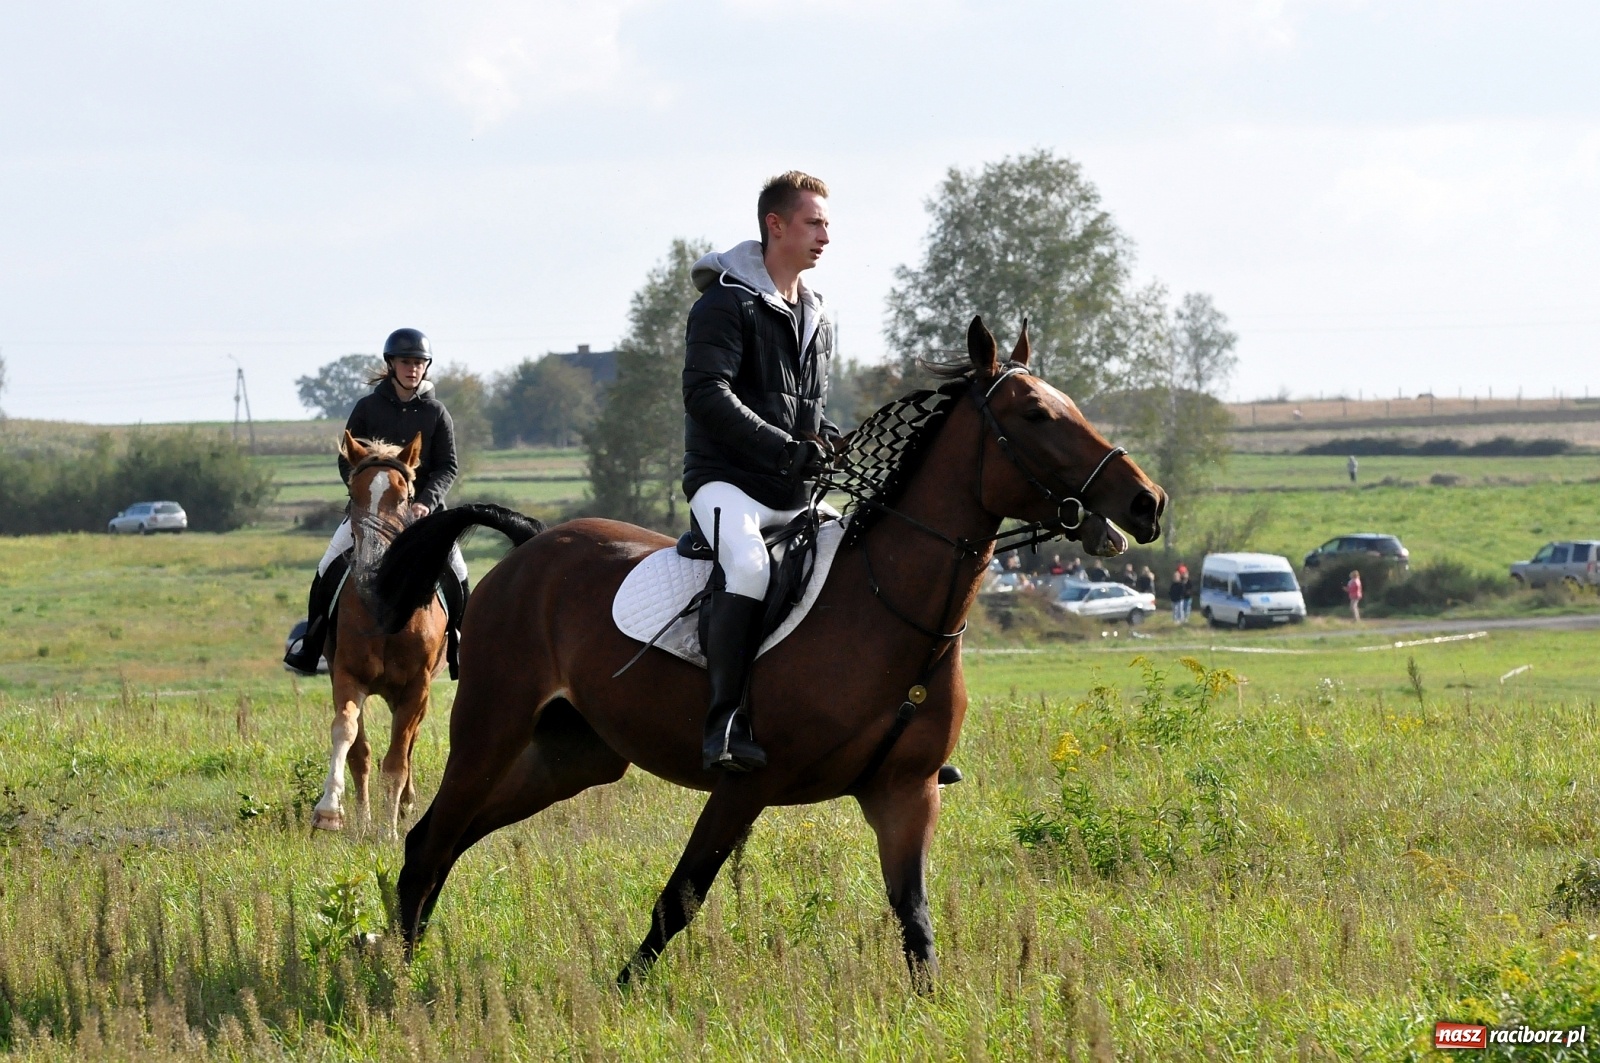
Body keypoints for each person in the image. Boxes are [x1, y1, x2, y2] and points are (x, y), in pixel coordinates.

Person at [682, 171, 841, 772]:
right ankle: (723, 719)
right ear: (775, 225)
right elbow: (706, 395)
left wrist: (823, 439)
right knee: (747, 565)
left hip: (793, 489)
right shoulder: (723, 304)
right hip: (726, 485)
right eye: (814, 223)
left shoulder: (818, 316)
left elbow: (810, 408)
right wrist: (783, 446)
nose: (825, 235)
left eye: (827, 224)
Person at [283, 328, 470, 678]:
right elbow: (347, 458)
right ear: (392, 364)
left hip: (423, 513)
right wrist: (365, 497)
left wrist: (426, 501)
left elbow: (448, 466)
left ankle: (462, 646)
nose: (412, 369)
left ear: (425, 367)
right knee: (326, 567)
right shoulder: (367, 408)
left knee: (459, 572)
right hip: (370, 512)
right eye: (406, 362)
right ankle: (311, 645)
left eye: (419, 363)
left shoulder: (436, 412)